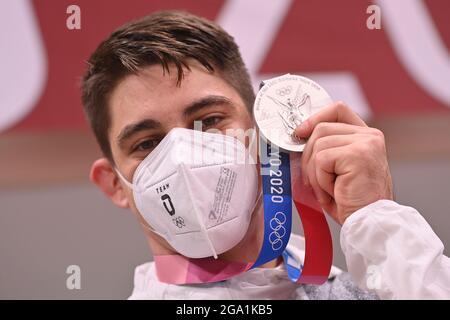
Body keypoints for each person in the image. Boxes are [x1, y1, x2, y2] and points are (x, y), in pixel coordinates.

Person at [81, 10, 450, 299]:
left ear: (264, 135)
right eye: (146, 143)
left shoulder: (373, 287)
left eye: (208, 120)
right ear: (114, 183)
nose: (182, 155)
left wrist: (377, 220)